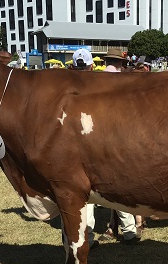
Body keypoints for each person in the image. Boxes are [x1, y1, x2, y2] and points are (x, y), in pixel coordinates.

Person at [97, 48, 140, 244]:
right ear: (121, 63)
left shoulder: (98, 79)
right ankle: (130, 229)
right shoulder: (123, 80)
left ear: (106, 61)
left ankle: (118, 227)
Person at [68, 48, 99, 249]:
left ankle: (85, 234)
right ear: (91, 65)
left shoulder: (67, 87)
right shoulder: (100, 84)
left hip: (78, 142)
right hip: (100, 141)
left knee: (82, 191)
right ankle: (129, 228)